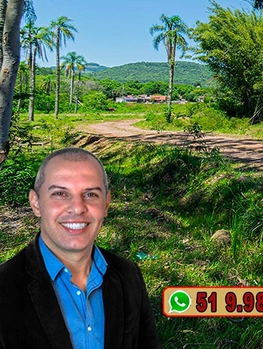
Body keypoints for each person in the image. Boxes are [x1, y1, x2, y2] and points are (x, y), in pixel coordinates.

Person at [0, 147, 161, 349]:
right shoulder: (4, 287)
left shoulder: (129, 276)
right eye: (60, 193)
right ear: (36, 203)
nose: (77, 208)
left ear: (106, 204)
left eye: (91, 194)